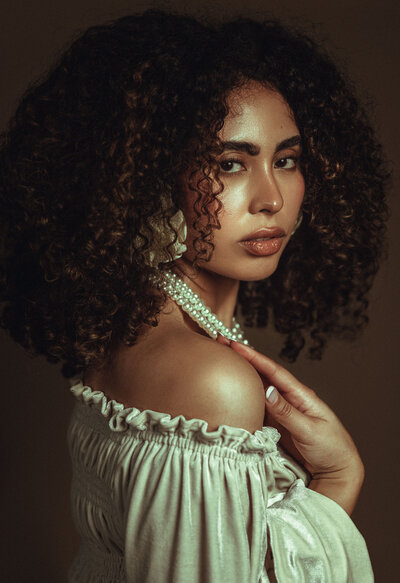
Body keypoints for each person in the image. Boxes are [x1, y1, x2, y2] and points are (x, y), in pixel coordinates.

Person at [0, 9, 389, 582]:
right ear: (149, 178)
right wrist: (339, 479)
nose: (271, 198)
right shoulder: (206, 380)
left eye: (286, 160)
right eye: (230, 164)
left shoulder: (140, 328)